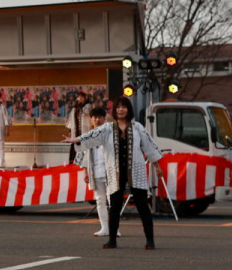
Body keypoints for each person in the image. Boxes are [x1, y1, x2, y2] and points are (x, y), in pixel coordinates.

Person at [65, 96, 163, 250]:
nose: (121, 109)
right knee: (115, 206)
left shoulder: (137, 127)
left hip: (135, 171)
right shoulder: (108, 128)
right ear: (115, 110)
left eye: (124, 107)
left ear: (129, 109)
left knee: (143, 206)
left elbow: (149, 146)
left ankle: (150, 240)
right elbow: (92, 135)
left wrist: (157, 166)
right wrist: (75, 140)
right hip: (114, 171)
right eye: (118, 107)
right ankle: (112, 240)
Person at [74, 106, 119, 239]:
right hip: (96, 171)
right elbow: (83, 155)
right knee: (100, 200)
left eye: (100, 117)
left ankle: (115, 228)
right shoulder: (89, 135)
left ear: (105, 119)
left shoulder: (111, 133)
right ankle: (104, 227)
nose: (97, 119)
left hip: (110, 171)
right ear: (91, 119)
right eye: (94, 117)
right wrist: (85, 171)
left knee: (113, 201)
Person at [65, 91, 92, 163]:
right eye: (78, 97)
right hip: (76, 132)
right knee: (74, 149)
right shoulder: (75, 108)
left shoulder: (88, 106)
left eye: (81, 97)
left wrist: (79, 107)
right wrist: (70, 131)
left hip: (85, 131)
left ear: (85, 98)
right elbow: (71, 120)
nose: (79, 98)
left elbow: (86, 112)